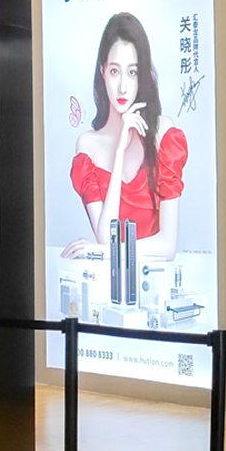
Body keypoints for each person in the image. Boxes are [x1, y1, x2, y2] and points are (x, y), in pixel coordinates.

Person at [64, 13, 188, 264]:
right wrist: (119, 153)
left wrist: (101, 252)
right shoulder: (87, 146)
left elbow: (168, 247)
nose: (122, 86)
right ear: (102, 71)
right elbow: (104, 237)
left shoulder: (163, 135)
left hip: (155, 282)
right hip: (109, 282)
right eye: (114, 71)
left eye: (132, 72)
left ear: (142, 75)